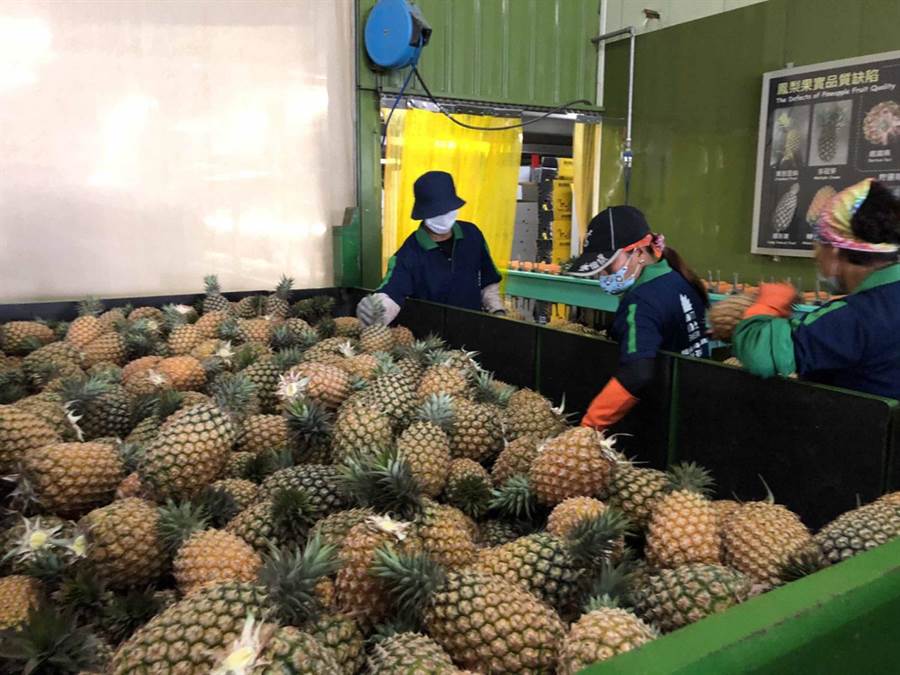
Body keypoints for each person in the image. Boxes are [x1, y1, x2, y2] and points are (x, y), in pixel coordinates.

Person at [733, 179, 900, 399]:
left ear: (835, 252)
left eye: (819, 245)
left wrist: (767, 303)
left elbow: (761, 354)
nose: (816, 256)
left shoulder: (856, 316)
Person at [572, 206, 710, 430]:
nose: (603, 276)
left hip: (664, 418)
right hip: (697, 403)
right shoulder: (679, 278)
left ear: (638, 252)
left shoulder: (641, 302)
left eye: (609, 266)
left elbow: (638, 372)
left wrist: (589, 425)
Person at [356, 171, 505, 326]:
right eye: (437, 212)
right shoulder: (409, 253)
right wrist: (376, 309)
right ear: (423, 213)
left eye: (448, 210)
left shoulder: (472, 235)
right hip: (431, 337)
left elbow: (489, 281)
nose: (444, 216)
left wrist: (497, 310)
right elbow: (392, 292)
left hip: (473, 330)